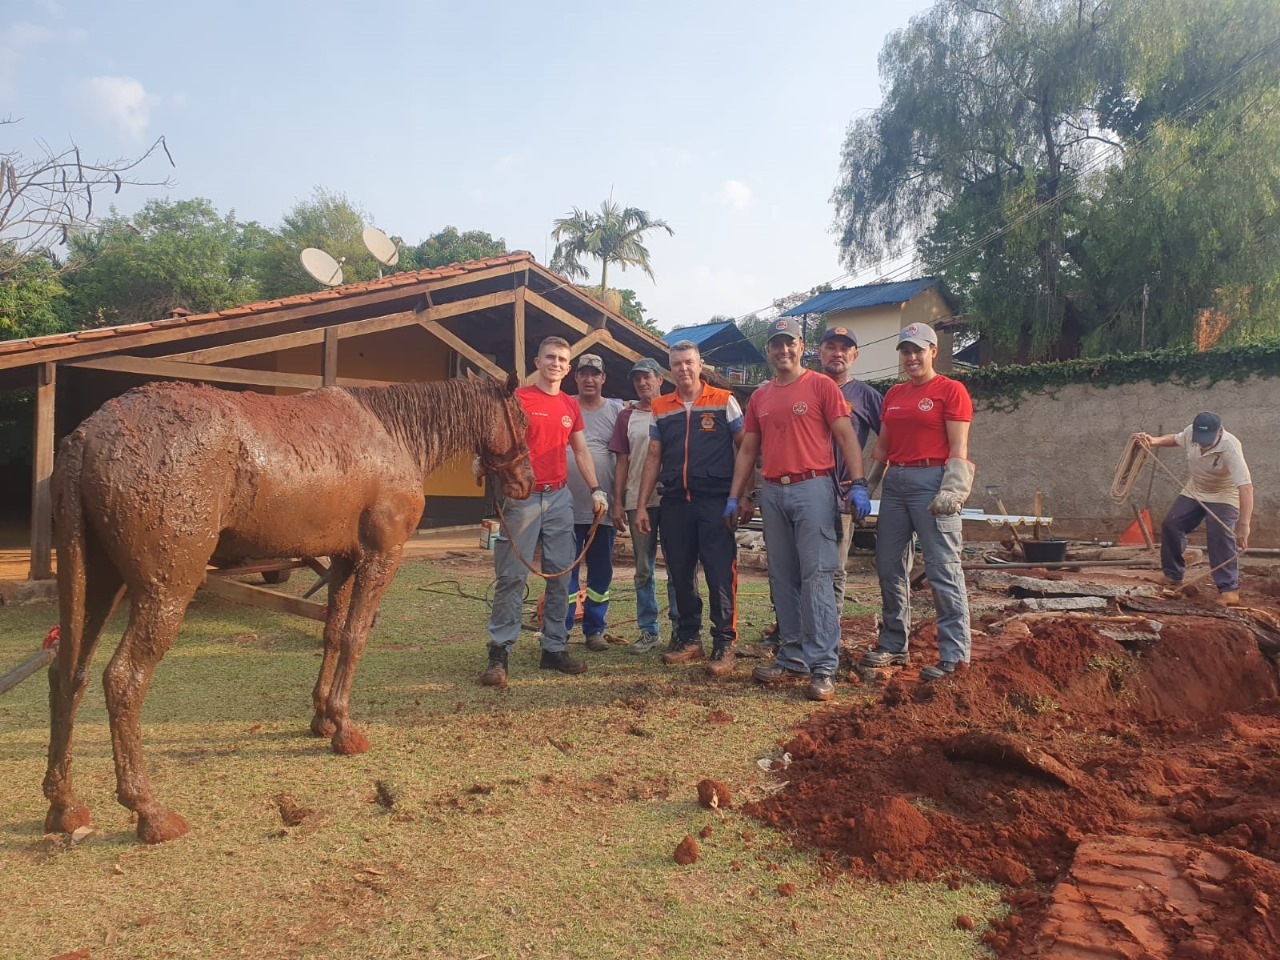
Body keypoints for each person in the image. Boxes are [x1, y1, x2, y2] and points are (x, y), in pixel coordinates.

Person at [729, 317, 872, 702]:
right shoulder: (760, 396)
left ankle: (823, 665)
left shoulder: (822, 386)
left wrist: (858, 483)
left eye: (789, 343)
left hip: (814, 488)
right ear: (769, 350)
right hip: (773, 491)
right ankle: (792, 657)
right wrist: (735, 494)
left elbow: (845, 435)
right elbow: (748, 449)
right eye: (776, 344)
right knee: (783, 577)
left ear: (801, 345)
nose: (783, 350)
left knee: (818, 577)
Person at [481, 337, 608, 687]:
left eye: (562, 359)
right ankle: (499, 651)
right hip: (522, 497)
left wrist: (596, 488)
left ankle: (553, 649)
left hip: (559, 497)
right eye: (550, 357)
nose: (556, 363)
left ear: (568, 368)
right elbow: (495, 436)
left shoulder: (570, 405)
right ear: (537, 361)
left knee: (560, 576)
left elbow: (580, 451)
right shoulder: (518, 398)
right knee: (511, 576)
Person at [859, 322, 974, 682]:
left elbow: (959, 445)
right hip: (897, 483)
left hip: (933, 483)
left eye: (918, 350)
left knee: (943, 568)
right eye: (905, 351)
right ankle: (894, 643)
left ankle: (955, 657)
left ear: (933, 351)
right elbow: (883, 447)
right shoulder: (893, 394)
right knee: (889, 565)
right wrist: (867, 486)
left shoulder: (951, 391)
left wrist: (955, 488)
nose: (911, 357)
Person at [635, 341, 743, 677]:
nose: (683, 369)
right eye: (677, 364)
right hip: (675, 504)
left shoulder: (724, 401)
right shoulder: (660, 407)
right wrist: (641, 505)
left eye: (689, 362)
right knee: (680, 574)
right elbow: (653, 457)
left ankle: (724, 643)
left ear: (700, 366)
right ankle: (688, 638)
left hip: (715, 502)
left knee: (719, 574)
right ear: (670, 369)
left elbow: (746, 449)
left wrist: (744, 496)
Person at [1137, 412, 1253, 606]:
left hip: (1224, 493)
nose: (1203, 444)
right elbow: (1175, 439)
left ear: (1220, 431)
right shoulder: (1192, 433)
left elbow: (1246, 487)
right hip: (1196, 489)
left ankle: (1229, 589)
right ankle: (1173, 575)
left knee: (1219, 533)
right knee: (1171, 524)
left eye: (1208, 440)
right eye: (1201, 440)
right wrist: (1154, 441)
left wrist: (1244, 524)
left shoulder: (1230, 446)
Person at [609, 357, 679, 655]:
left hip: (673, 499)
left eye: (647, 377)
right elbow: (622, 461)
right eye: (637, 379)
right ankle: (648, 632)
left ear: (660, 379)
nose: (642, 383)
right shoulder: (627, 416)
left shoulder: (674, 410)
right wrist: (617, 501)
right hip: (638, 501)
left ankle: (681, 630)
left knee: (678, 567)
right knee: (643, 568)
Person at [818, 325, 883, 614]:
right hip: (805, 490)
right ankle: (789, 629)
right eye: (831, 347)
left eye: (845, 349)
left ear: (855, 356)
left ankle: (829, 629)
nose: (838, 353)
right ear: (820, 352)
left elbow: (890, 443)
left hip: (842, 495)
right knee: (797, 564)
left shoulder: (866, 396)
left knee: (834, 567)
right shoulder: (805, 387)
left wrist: (865, 485)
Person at [564, 354, 623, 650]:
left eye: (594, 374)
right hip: (566, 506)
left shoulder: (616, 410)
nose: (589, 379)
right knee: (566, 571)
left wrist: (619, 502)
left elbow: (624, 455)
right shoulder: (564, 405)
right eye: (583, 373)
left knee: (601, 570)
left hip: (603, 509)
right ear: (575, 377)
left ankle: (594, 629)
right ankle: (559, 629)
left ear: (603, 379)